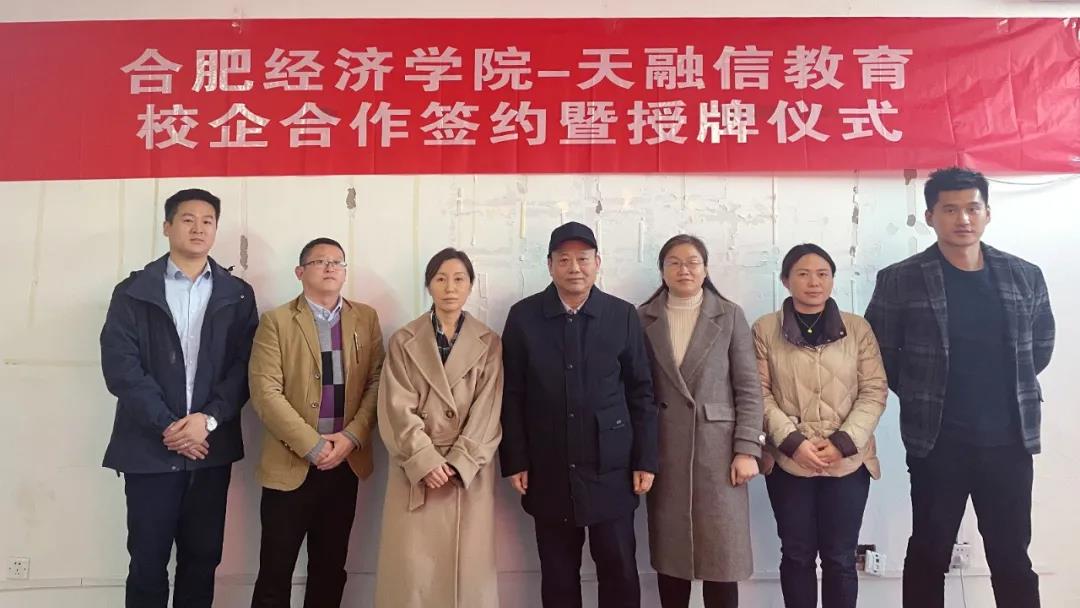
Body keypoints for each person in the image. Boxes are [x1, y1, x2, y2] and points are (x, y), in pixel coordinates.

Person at [865, 167, 1055, 608]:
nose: (963, 219)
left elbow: (1040, 345)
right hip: (937, 441)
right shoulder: (900, 278)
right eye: (950, 210)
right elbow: (880, 353)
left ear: (987, 213)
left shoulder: (1024, 274)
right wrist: (922, 393)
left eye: (972, 208)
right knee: (929, 552)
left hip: (1009, 440)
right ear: (930, 217)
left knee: (1011, 554)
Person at [101, 188, 258, 608]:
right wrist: (170, 426)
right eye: (188, 219)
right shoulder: (133, 291)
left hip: (210, 448)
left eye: (208, 220)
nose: (198, 228)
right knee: (147, 563)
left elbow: (246, 367)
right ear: (167, 226)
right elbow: (121, 367)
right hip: (150, 449)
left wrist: (207, 420)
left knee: (202, 561)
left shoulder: (238, 294)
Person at [499, 221, 658, 608]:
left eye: (583, 259)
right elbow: (512, 394)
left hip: (612, 467)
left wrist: (645, 459)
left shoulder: (622, 315)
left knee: (619, 569)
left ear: (597, 262)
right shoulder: (523, 317)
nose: (575, 268)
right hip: (548, 465)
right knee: (558, 573)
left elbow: (642, 391)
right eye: (564, 259)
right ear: (549, 264)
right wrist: (515, 459)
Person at [247, 237, 385, 608]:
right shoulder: (276, 321)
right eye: (319, 261)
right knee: (275, 570)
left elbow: (378, 382)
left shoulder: (365, 318)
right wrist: (313, 445)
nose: (329, 268)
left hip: (344, 462)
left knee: (330, 569)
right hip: (290, 463)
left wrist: (352, 437)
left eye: (337, 262)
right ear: (300, 272)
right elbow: (265, 392)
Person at [753, 243, 887, 608]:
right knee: (796, 554)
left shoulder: (857, 328)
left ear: (832, 280)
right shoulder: (765, 329)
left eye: (822, 274)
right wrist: (793, 442)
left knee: (840, 557)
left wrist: (843, 442)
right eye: (803, 274)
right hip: (788, 460)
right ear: (785, 280)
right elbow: (758, 393)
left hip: (848, 461)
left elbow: (874, 390)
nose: (814, 282)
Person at [637, 234, 764, 608]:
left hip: (719, 451)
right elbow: (635, 388)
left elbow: (749, 388)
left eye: (693, 262)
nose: (684, 269)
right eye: (674, 262)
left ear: (706, 269)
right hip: (665, 448)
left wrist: (747, 449)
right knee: (672, 557)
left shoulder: (729, 315)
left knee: (722, 558)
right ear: (662, 271)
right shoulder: (642, 317)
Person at [374, 248, 504, 608]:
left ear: (471, 286)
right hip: (416, 473)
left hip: (467, 475)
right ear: (428, 285)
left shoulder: (489, 342)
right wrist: (425, 460)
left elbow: (488, 411)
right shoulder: (403, 340)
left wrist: (460, 461)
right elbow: (395, 408)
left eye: (459, 279)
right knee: (413, 576)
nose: (450, 288)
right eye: (441, 279)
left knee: (468, 577)